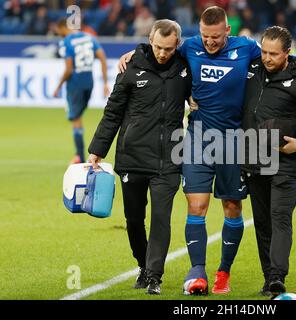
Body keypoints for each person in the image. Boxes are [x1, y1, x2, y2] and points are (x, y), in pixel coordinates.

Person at [118, 6, 296, 296]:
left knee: (232, 208)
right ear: (199, 32)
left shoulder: (246, 48)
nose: (210, 42)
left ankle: (223, 272)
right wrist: (135, 53)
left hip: (236, 141)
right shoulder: (190, 47)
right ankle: (197, 273)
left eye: (216, 37)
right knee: (196, 205)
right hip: (198, 137)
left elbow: (275, 56)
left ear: (228, 31)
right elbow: (162, 50)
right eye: (206, 36)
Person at [87, 20, 192, 295]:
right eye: (158, 47)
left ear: (177, 45)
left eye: (169, 49)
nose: (162, 53)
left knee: (161, 217)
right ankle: (143, 265)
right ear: (150, 40)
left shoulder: (185, 67)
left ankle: (154, 275)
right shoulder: (130, 67)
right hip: (132, 156)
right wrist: (97, 149)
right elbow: (113, 112)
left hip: (169, 159)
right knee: (134, 220)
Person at [241, 26, 296, 296]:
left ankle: (277, 276)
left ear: (288, 53)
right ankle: (268, 278)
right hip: (254, 158)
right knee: (262, 221)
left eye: (273, 54)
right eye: (264, 51)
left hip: (287, 160)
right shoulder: (251, 69)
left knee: (279, 217)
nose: (267, 58)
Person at [53, 18, 109, 164]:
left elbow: (69, 69)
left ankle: (80, 157)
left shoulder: (66, 42)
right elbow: (102, 58)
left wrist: (58, 86)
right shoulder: (89, 37)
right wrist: (105, 83)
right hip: (89, 83)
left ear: (62, 28)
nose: (58, 35)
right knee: (78, 117)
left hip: (75, 84)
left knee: (76, 120)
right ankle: (79, 154)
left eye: (58, 32)